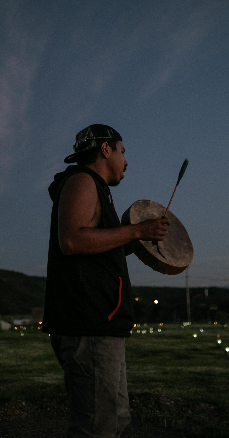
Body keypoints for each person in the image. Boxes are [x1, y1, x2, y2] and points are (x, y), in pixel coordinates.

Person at [43, 124, 170, 438]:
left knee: (114, 418)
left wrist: (140, 237)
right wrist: (137, 230)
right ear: (105, 149)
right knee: (96, 427)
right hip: (89, 325)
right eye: (123, 151)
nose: (126, 161)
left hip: (101, 323)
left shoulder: (96, 189)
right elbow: (71, 241)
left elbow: (96, 251)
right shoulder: (82, 180)